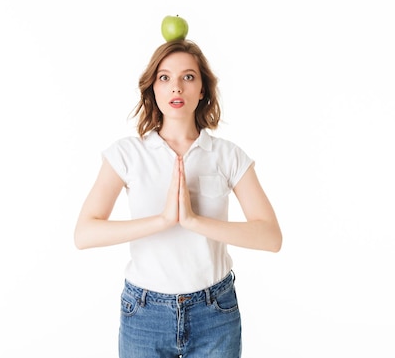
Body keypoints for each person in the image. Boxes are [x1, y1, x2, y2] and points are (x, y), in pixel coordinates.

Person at [74, 38, 282, 358]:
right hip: (145, 313)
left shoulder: (228, 156)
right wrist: (162, 221)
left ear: (202, 90)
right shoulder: (127, 154)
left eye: (188, 77)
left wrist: (195, 222)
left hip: (215, 311)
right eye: (165, 78)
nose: (176, 88)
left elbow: (271, 237)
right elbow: (84, 234)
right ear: (152, 90)